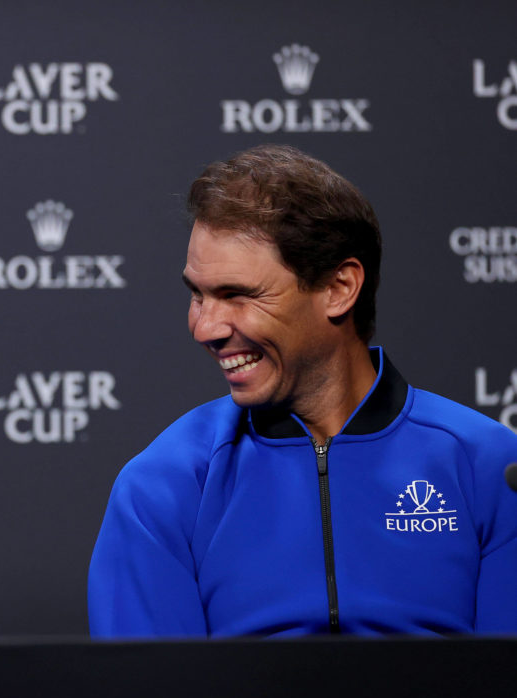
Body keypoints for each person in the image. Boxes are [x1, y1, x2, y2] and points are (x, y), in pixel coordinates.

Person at [88, 144, 517, 637]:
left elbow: (505, 672)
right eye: (198, 295)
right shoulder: (162, 485)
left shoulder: (491, 469)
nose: (205, 328)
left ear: (339, 288)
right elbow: (149, 678)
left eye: (237, 295)